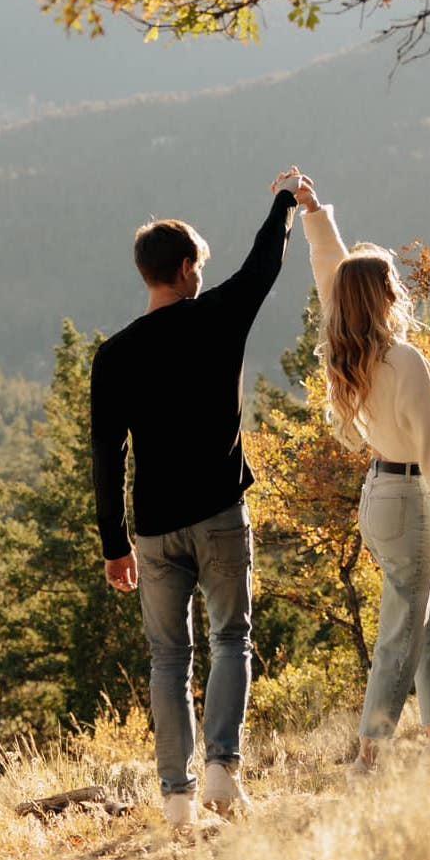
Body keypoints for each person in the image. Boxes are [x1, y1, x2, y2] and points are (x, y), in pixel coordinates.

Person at [89, 170, 302, 826]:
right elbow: (263, 265)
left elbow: (107, 455)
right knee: (231, 637)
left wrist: (114, 544)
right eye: (199, 269)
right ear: (184, 269)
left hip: (154, 531)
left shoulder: (113, 356)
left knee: (168, 660)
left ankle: (177, 799)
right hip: (219, 514)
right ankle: (221, 772)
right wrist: (285, 201)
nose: (202, 278)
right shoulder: (217, 317)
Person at [293, 174, 430, 771]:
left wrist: (314, 215)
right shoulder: (403, 360)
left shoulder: (348, 353)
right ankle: (370, 755)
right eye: (391, 285)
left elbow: (331, 275)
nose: (398, 291)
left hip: (379, 496)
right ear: (382, 297)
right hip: (407, 499)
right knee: (404, 631)